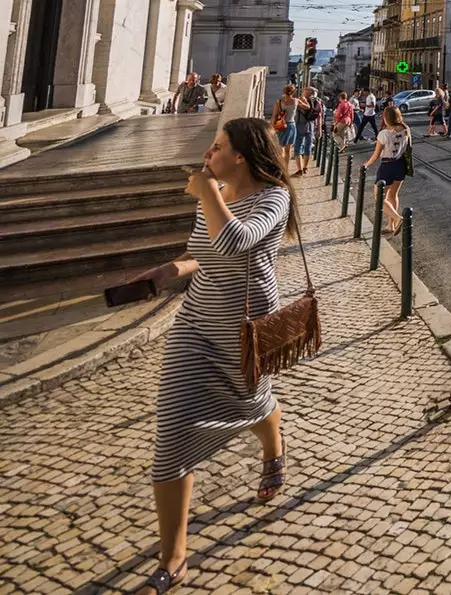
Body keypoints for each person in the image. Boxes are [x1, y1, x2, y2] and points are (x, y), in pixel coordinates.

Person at [131, 117, 296, 595]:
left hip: (244, 330)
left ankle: (273, 449)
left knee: (255, 403)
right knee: (173, 427)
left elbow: (234, 241)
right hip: (196, 326)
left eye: (217, 146)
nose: (208, 153)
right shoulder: (216, 192)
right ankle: (175, 556)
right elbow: (204, 252)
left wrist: (207, 192)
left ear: (241, 155)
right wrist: (170, 269)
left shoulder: (273, 198)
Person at [364, 104, 411, 235]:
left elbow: (376, 155)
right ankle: (391, 225)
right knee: (393, 195)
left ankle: (397, 218)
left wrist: (366, 164)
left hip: (387, 167)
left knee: (379, 198)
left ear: (386, 118)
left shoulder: (384, 134)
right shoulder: (405, 129)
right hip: (400, 165)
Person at [292, 85, 318, 176]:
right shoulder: (316, 102)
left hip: (300, 125)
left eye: (305, 89)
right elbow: (319, 114)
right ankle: (305, 167)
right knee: (308, 147)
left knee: (297, 148)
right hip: (310, 126)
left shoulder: (300, 100)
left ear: (307, 91)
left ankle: (300, 170)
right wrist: (318, 128)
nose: (303, 90)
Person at [270, 84, 297, 170]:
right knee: (288, 150)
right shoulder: (296, 101)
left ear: (284, 91)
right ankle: (286, 168)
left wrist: (272, 127)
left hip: (282, 126)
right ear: (293, 92)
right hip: (292, 125)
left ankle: (280, 167)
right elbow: (307, 107)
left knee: (280, 148)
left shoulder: (279, 102)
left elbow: (274, 116)